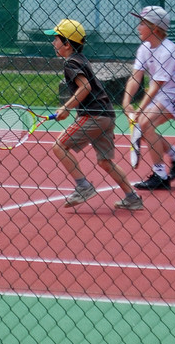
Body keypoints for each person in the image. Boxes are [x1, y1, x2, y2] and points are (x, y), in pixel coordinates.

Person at [44, 18, 144, 211]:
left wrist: (66, 107)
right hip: (106, 115)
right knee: (105, 161)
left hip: (95, 115)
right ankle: (132, 197)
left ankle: (83, 186)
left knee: (59, 146)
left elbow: (85, 88)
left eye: (56, 39)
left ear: (66, 43)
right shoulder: (80, 60)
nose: (53, 43)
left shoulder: (71, 63)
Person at [122, 6, 175, 191]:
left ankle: (160, 175)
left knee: (145, 124)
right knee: (146, 126)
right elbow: (136, 76)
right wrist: (126, 102)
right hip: (163, 93)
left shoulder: (168, 51)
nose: (138, 27)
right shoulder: (144, 48)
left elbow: (156, 86)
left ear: (154, 28)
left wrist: (139, 109)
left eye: (142, 23)